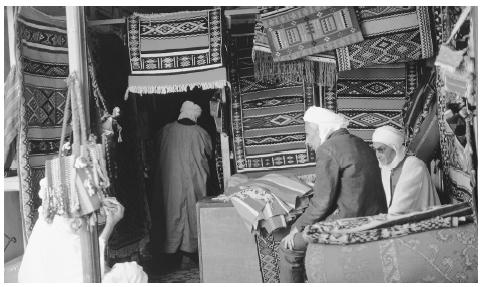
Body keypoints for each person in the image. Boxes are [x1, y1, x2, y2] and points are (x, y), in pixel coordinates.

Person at [278, 107, 387, 283]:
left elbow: (321, 203)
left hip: (348, 223)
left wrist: (296, 227)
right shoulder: (360, 143)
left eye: (309, 134)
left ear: (321, 129)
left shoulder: (328, 149)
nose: (307, 141)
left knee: (287, 248)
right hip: (375, 218)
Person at [18, 178, 148, 283]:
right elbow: (89, 273)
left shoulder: (53, 213)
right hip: (79, 278)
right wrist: (110, 225)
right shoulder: (67, 228)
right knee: (133, 272)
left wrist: (100, 203)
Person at [152, 100, 212, 259]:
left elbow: (155, 151)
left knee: (172, 212)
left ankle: (171, 249)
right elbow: (210, 153)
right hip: (194, 180)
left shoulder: (165, 130)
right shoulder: (200, 132)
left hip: (171, 180)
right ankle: (191, 248)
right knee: (193, 212)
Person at [372, 125, 441, 215]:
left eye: (381, 150)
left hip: (425, 222)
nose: (377, 155)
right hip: (399, 220)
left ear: (394, 148)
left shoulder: (413, 165)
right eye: (375, 150)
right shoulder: (385, 168)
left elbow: (400, 207)